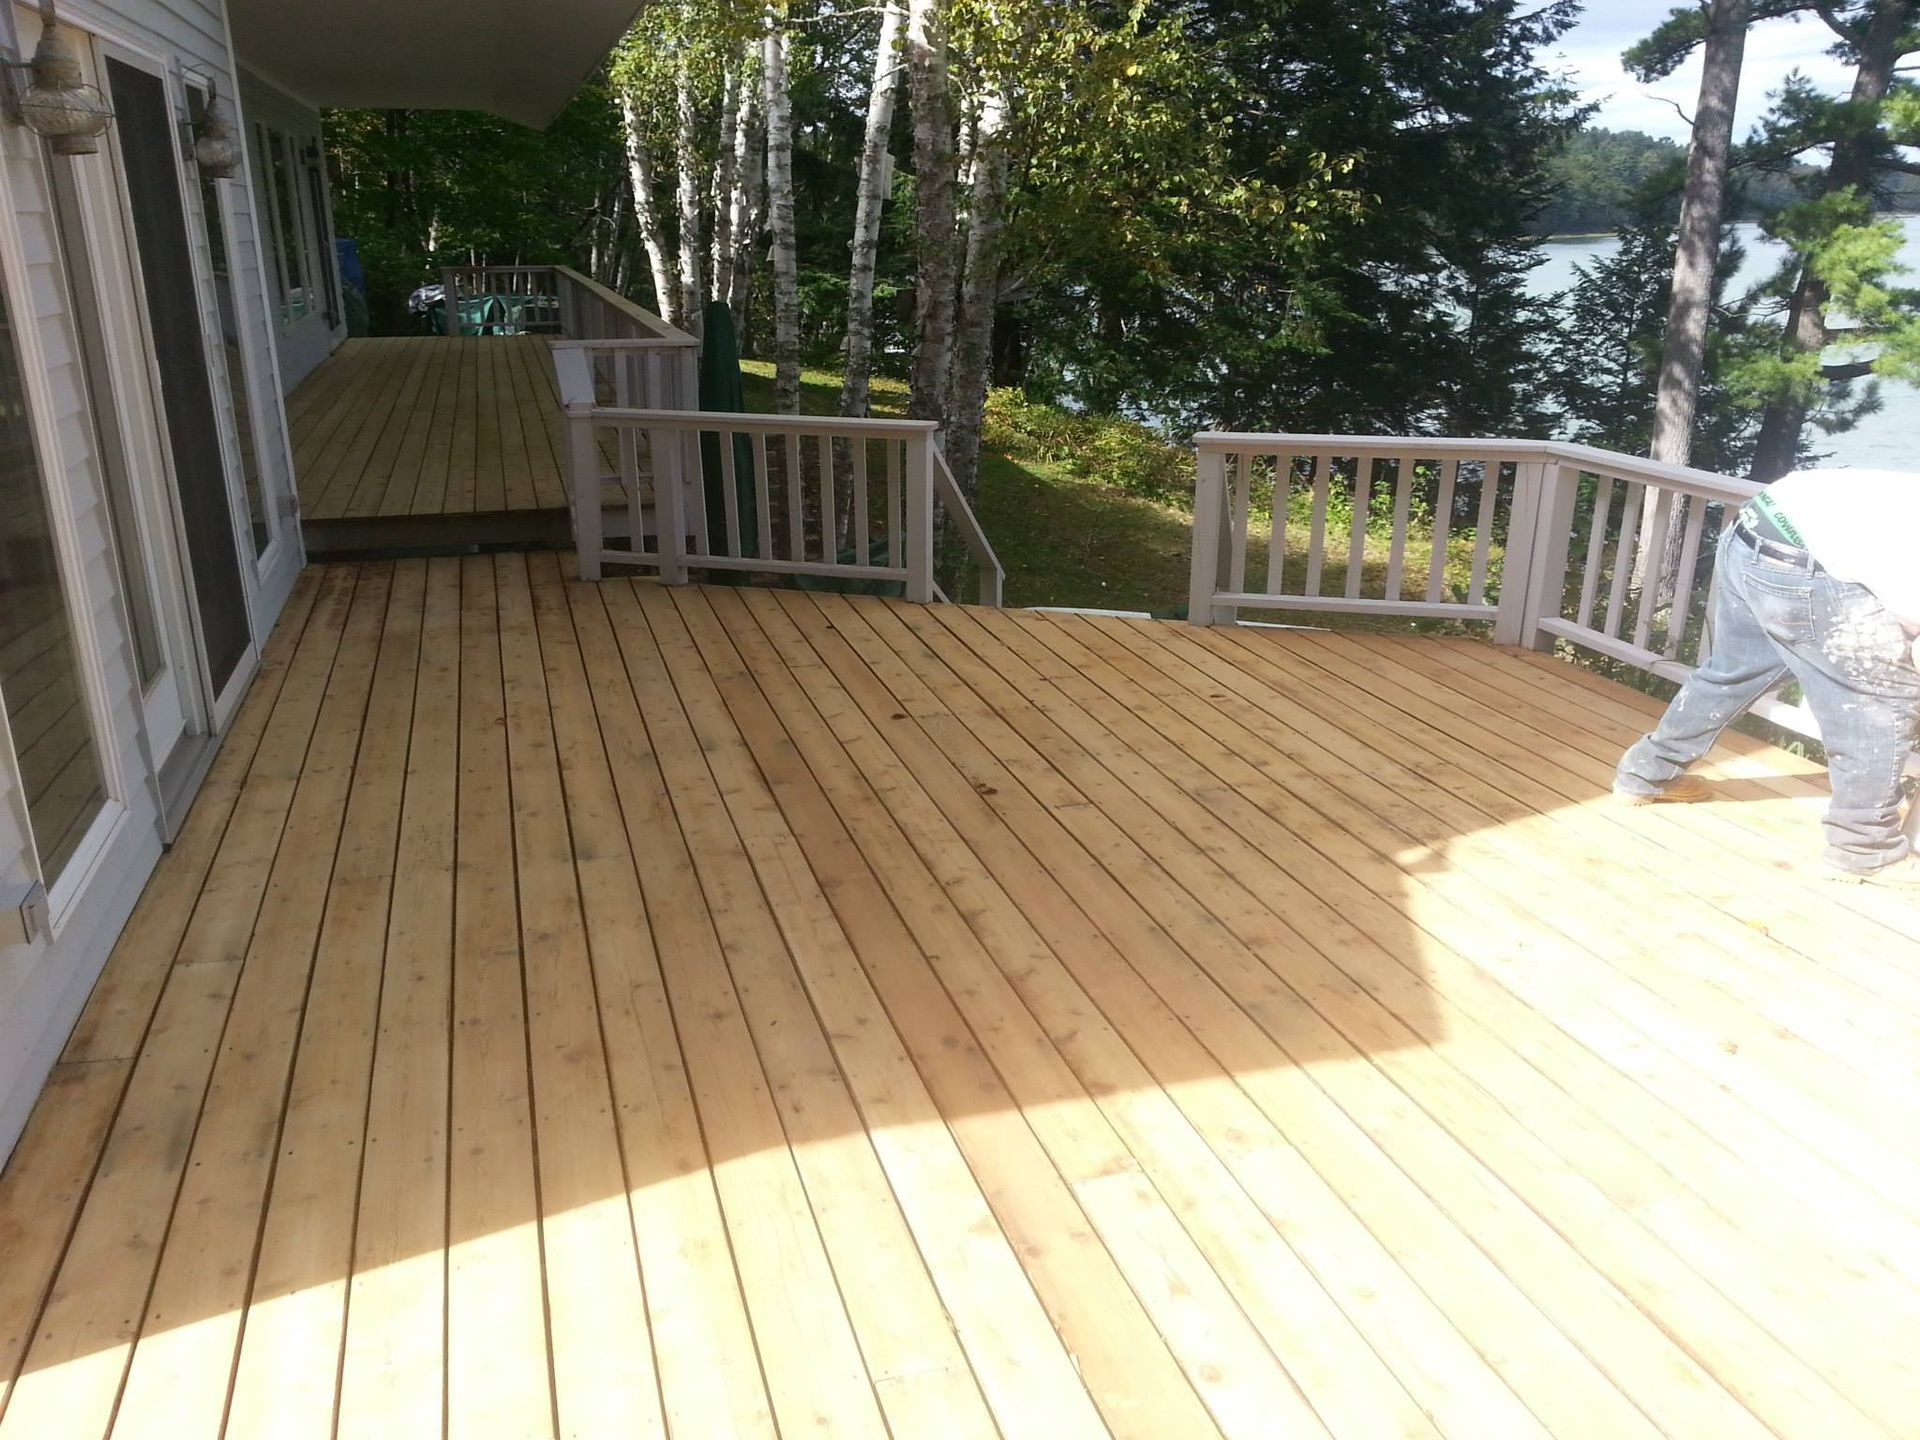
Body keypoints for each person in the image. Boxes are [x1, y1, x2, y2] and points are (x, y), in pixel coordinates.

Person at [1613, 467, 1920, 885]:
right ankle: (1864, 848)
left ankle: (1646, 773)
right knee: (1880, 706)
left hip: (1757, 529)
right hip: (1808, 562)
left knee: (1733, 671)